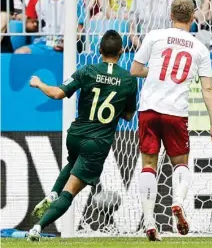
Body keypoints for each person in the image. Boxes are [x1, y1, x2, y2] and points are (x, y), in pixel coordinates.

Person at [27, 30, 138, 241]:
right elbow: (129, 114)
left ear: (99, 50)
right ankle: (38, 228)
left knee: (73, 163)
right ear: (122, 52)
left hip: (76, 135)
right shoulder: (129, 80)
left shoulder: (86, 70)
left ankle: (52, 193)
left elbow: (57, 93)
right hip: (97, 143)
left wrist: (39, 83)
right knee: (70, 192)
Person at [130, 0, 212, 241]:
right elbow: (207, 89)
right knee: (180, 163)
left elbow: (135, 70)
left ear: (170, 15)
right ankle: (178, 202)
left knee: (148, 165)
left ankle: (149, 222)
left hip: (149, 109)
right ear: (193, 19)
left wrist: (158, 73)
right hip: (176, 113)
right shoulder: (199, 48)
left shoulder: (154, 36)